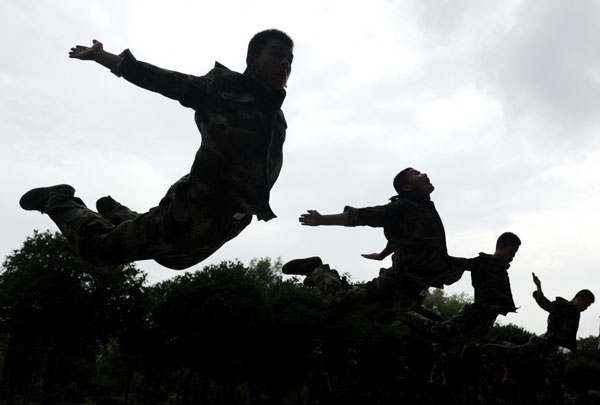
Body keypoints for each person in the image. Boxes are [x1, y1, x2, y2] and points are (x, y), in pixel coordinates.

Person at [19, 29, 294, 270]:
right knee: (98, 250)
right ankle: (58, 199)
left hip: (228, 222)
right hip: (194, 210)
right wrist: (103, 57)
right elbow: (166, 81)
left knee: (173, 260)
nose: (285, 62)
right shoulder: (226, 90)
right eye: (276, 54)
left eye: (290, 59)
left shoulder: (275, 115)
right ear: (252, 60)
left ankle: (116, 212)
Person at [282, 168, 465, 322]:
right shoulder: (402, 207)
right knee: (338, 304)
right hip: (398, 284)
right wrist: (322, 220)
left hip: (413, 291)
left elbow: (405, 238)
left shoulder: (424, 208)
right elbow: (365, 216)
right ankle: (316, 269)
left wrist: (382, 254)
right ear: (407, 186)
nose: (424, 174)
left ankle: (333, 281)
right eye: (416, 173)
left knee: (380, 319)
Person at [402, 232, 522, 341]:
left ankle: (413, 309)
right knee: (437, 332)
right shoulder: (483, 262)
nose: (513, 257)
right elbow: (459, 263)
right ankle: (402, 312)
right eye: (512, 252)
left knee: (444, 332)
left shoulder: (501, 271)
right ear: (501, 247)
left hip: (481, 324)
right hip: (474, 318)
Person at [528, 272, 594, 353]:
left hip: (567, 349)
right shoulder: (560, 305)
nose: (586, 308)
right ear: (579, 300)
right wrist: (538, 286)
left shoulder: (576, 313)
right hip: (553, 346)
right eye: (586, 305)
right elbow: (543, 302)